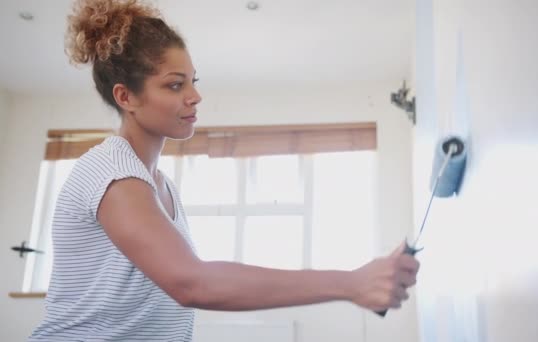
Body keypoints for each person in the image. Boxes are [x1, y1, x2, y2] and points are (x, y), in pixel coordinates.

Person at [29, 0, 420, 341]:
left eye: (192, 82)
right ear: (126, 96)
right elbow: (191, 282)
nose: (195, 96)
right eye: (174, 85)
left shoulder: (160, 188)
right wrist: (351, 283)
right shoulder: (109, 171)